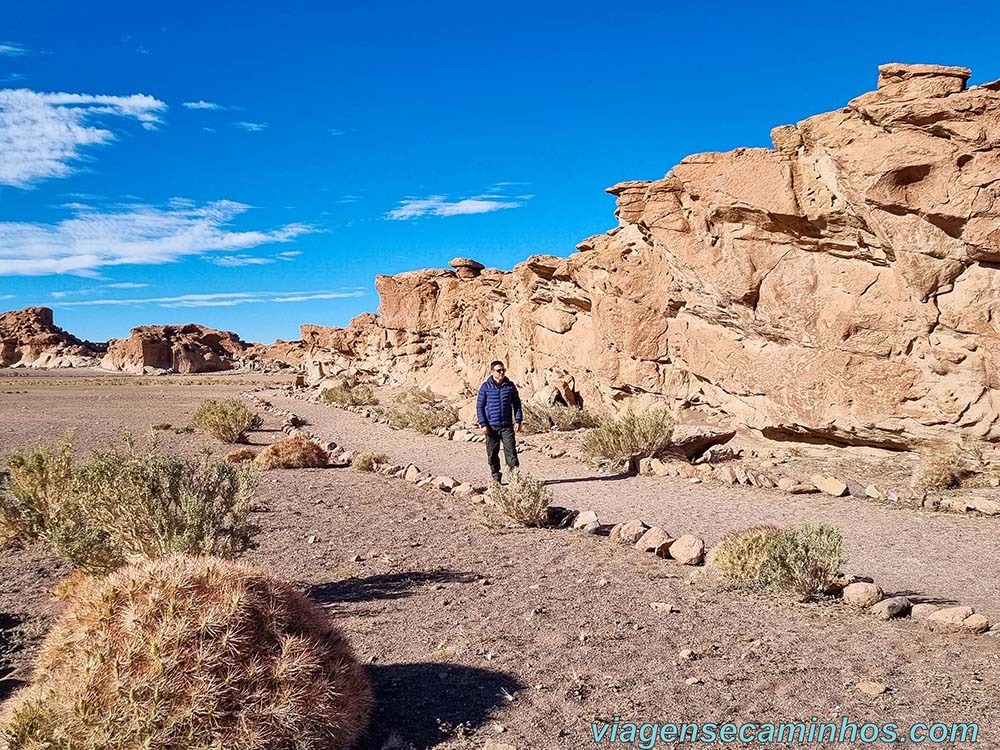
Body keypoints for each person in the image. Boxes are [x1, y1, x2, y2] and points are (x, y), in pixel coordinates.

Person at [476, 360, 523, 483]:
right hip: (491, 427)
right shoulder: (485, 387)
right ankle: (496, 477)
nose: (502, 372)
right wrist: (483, 424)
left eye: (503, 370)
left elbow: (517, 404)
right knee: (492, 454)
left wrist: (518, 420)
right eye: (499, 370)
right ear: (492, 372)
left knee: (511, 454)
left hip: (507, 426)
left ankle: (514, 480)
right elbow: (479, 407)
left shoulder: (510, 386)